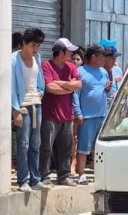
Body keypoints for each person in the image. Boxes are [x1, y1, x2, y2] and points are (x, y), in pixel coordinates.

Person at [11, 27, 48, 193]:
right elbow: (10, 87)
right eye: (34, 45)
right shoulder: (13, 60)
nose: (36, 49)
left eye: (38, 46)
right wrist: (15, 110)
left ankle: (35, 178)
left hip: (36, 104)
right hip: (22, 105)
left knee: (36, 143)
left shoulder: (37, 58)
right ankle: (23, 180)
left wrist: (41, 90)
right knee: (23, 143)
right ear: (24, 44)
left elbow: (40, 80)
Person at [40, 38, 81, 185]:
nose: (71, 54)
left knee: (66, 148)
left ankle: (64, 175)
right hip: (50, 115)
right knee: (46, 147)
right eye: (69, 51)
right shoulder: (47, 65)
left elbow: (78, 85)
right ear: (61, 53)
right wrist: (69, 87)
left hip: (68, 115)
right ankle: (44, 176)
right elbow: (50, 88)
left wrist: (61, 84)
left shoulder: (71, 67)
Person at [73, 45, 110, 186]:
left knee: (99, 147)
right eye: (102, 56)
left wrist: (108, 89)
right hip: (87, 116)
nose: (104, 59)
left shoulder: (104, 72)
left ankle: (98, 174)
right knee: (83, 147)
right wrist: (78, 113)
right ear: (94, 57)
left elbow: (107, 92)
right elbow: (75, 95)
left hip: (102, 115)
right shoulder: (80, 71)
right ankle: (81, 174)